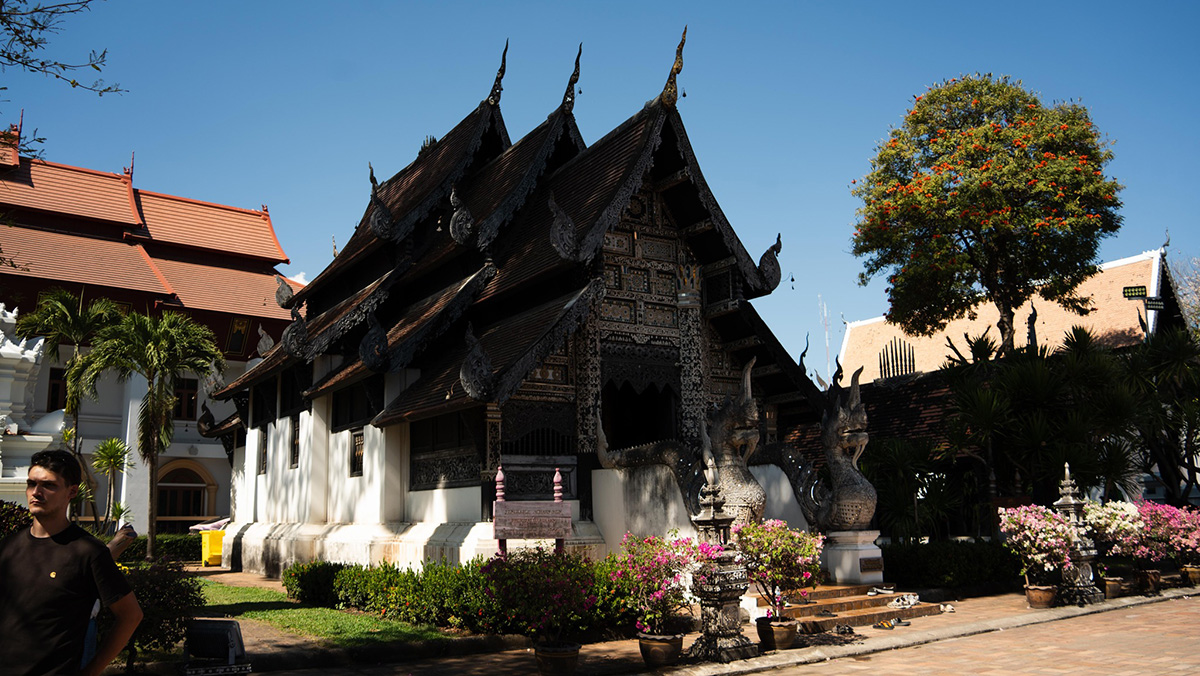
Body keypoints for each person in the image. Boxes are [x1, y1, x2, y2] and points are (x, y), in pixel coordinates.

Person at [0, 449, 143, 676]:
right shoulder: (9, 546)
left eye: (48, 485)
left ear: (72, 492)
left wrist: (92, 671)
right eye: (31, 484)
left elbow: (131, 615)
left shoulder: (88, 552)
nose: (36, 492)